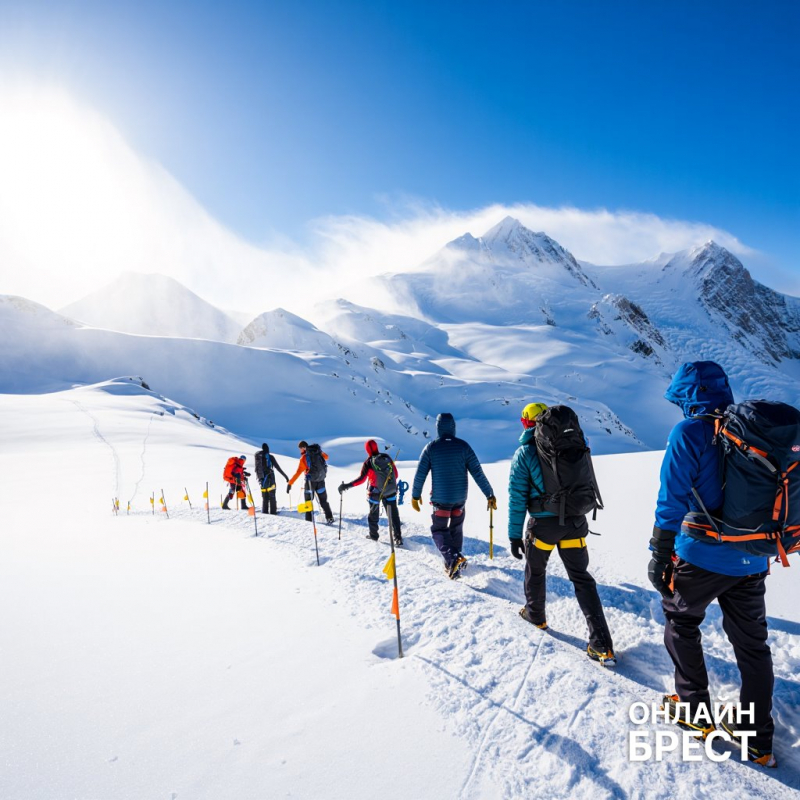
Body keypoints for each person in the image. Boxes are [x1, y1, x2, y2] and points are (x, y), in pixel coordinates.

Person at [649, 360, 775, 767]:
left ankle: (693, 709)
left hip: (702, 554)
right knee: (753, 646)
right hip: (753, 557)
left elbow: (672, 497)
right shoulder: (752, 433)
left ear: (688, 395)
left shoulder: (690, 431)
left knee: (681, 622)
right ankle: (758, 739)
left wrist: (659, 551)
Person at [508, 402, 615, 665]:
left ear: (526, 423)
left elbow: (517, 497)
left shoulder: (525, 453)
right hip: (575, 522)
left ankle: (536, 615)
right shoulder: (574, 443)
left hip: (543, 527)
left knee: (536, 571)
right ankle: (601, 644)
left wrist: (513, 535)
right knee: (582, 579)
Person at [411, 413, 495, 579]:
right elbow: (477, 472)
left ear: (438, 428)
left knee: (439, 529)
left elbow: (420, 474)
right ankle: (456, 559)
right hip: (459, 500)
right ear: (453, 427)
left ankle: (453, 558)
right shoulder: (464, 447)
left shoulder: (431, 448)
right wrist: (489, 494)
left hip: (441, 501)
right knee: (456, 528)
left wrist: (415, 495)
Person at [339, 440, 403, 545]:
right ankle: (398, 538)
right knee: (393, 515)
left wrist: (347, 485)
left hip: (375, 492)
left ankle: (373, 536)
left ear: (367, 449)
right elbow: (395, 474)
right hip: (390, 490)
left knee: (373, 515)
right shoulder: (386, 457)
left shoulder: (368, 462)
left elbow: (361, 479)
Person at [287, 440, 335, 524]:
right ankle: (330, 518)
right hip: (321, 481)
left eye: (300, 449)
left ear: (303, 448)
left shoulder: (303, 458)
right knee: (323, 501)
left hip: (310, 483)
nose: (300, 451)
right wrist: (319, 451)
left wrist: (290, 483)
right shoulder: (317, 453)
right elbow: (327, 457)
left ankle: (308, 522)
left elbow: (298, 473)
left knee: (308, 502)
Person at [255, 443, 289, 515]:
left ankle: (265, 512)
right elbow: (277, 467)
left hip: (262, 480)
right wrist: (285, 476)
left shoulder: (258, 457)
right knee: (272, 497)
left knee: (265, 498)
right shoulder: (270, 457)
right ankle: (273, 512)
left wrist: (260, 479)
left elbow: (256, 469)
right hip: (270, 479)